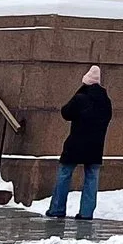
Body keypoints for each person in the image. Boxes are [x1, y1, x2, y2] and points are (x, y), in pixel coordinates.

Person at [46, 64, 112, 224]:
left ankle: (57, 208)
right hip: (96, 146)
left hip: (75, 143)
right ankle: (86, 213)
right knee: (91, 178)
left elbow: (66, 113)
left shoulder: (80, 98)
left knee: (64, 174)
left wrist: (79, 93)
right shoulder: (105, 101)